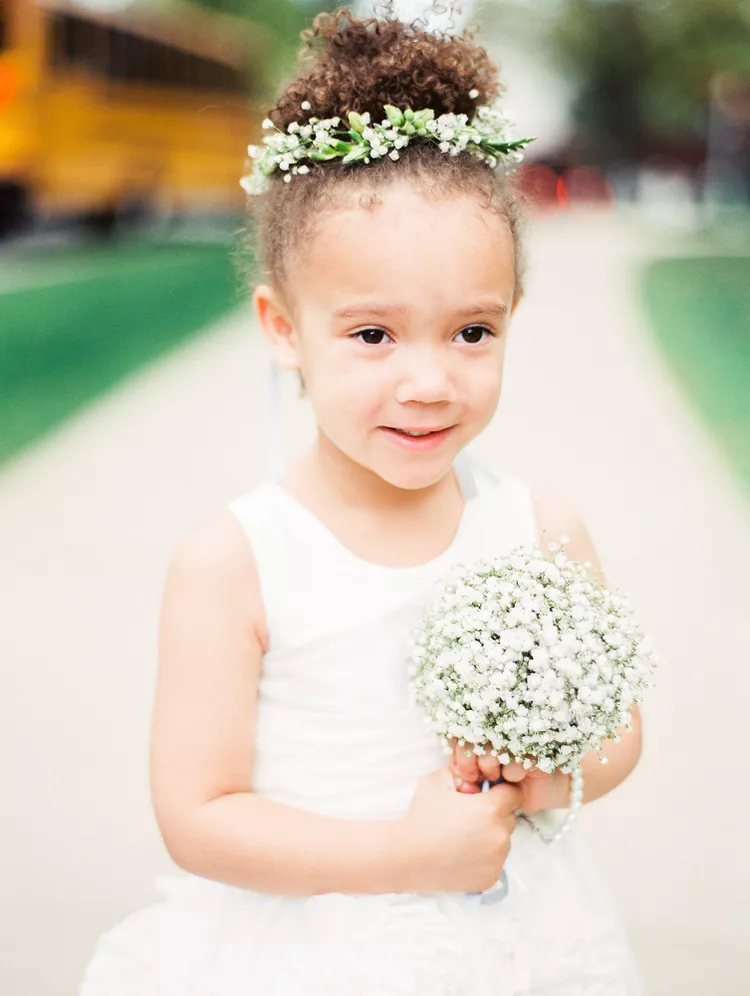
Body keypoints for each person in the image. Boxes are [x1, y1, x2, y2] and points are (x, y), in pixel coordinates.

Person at [78, 6, 646, 994]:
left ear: (512, 315)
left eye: (470, 333)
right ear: (283, 327)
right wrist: (410, 857)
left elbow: (619, 733)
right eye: (373, 336)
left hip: (522, 940)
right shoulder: (238, 562)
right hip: (318, 949)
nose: (428, 381)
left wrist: (542, 777)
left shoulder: (541, 528)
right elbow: (200, 815)